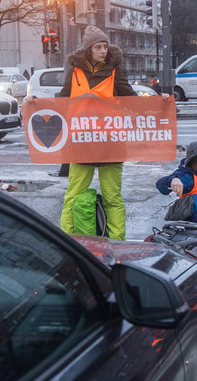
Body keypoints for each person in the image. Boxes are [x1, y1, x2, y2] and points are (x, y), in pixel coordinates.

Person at [56, 25, 137, 239]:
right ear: (87, 50)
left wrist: (160, 103)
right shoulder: (74, 73)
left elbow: (131, 98)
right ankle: (68, 240)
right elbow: (61, 101)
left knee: (112, 198)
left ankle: (117, 242)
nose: (103, 51)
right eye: (98, 47)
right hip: (81, 144)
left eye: (105, 47)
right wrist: (34, 103)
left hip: (110, 143)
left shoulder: (115, 71)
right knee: (72, 196)